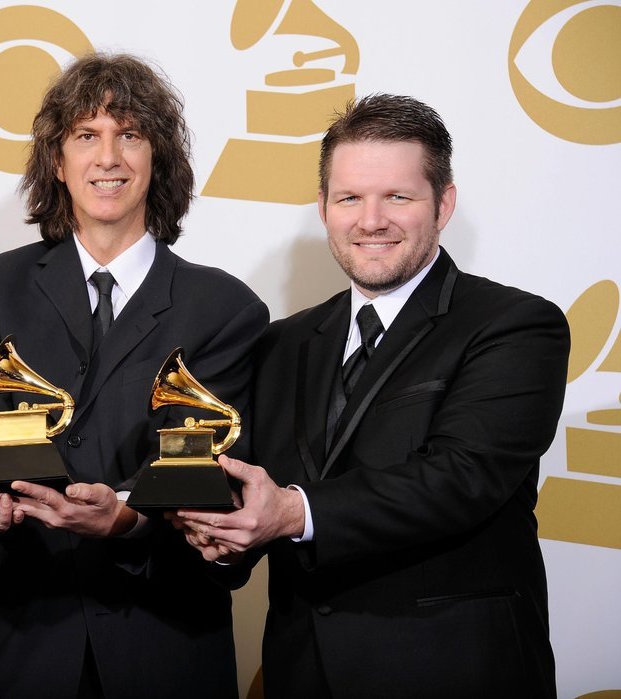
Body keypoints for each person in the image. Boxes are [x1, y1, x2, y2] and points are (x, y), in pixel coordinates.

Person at [173, 94, 569, 699]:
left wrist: (294, 512)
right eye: (350, 197)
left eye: (398, 197)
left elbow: (459, 478)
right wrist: (218, 534)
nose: (371, 220)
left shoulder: (514, 325)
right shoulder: (281, 344)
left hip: (454, 671)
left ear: (445, 205)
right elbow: (254, 495)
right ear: (324, 208)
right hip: (303, 674)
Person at [0, 53, 268, 698]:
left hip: (164, 645)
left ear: (158, 160)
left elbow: (216, 485)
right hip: (24, 642)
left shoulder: (226, 309)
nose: (108, 157)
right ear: (57, 163)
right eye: (86, 135)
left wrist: (127, 521)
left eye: (131, 134)